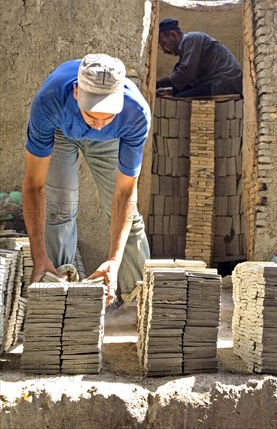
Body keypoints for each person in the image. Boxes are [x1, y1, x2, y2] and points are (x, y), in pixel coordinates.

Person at [22, 53, 151, 305]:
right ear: (76, 93)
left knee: (129, 216)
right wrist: (39, 257)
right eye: (93, 116)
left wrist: (113, 261)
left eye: (108, 116)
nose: (100, 125)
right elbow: (34, 186)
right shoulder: (49, 103)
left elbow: (125, 193)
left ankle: (136, 299)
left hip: (115, 140)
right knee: (60, 211)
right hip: (61, 132)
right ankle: (59, 292)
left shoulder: (135, 113)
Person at [156, 19, 243, 97]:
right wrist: (168, 91)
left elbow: (185, 74)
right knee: (177, 92)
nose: (164, 50)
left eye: (164, 44)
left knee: (180, 98)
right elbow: (189, 82)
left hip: (227, 83)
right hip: (216, 83)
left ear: (173, 35)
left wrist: (156, 84)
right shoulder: (186, 49)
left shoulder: (192, 39)